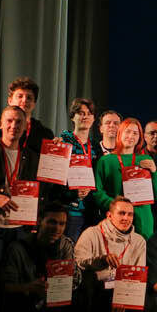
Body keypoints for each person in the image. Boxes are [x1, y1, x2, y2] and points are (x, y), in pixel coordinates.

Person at [0, 105, 72, 258]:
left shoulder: (32, 157)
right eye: (9, 121)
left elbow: (46, 188)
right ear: (0, 124)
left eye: (19, 122)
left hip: (21, 228)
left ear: (25, 126)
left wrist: (57, 152)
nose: (14, 126)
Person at [73, 197, 146, 312]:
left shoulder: (139, 241)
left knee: (145, 295)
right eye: (121, 213)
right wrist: (102, 260)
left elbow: (138, 275)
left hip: (122, 289)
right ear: (109, 215)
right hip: (97, 288)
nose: (126, 218)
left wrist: (122, 296)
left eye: (130, 214)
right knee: (88, 279)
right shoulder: (91, 233)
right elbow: (79, 262)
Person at [0, 203, 80, 312]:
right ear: (39, 221)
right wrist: (28, 287)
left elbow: (74, 279)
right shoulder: (18, 248)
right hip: (25, 305)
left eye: (61, 224)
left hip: (54, 304)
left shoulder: (65, 245)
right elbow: (6, 286)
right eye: (52, 222)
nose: (57, 228)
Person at [93, 117, 157, 239]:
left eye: (135, 133)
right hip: (117, 218)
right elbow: (97, 191)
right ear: (120, 133)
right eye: (127, 131)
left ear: (139, 138)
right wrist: (115, 206)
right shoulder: (105, 161)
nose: (131, 136)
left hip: (142, 219)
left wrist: (154, 171)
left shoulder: (145, 160)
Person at [60, 97, 104, 243]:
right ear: (72, 117)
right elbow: (53, 181)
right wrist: (72, 193)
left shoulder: (96, 147)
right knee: (69, 250)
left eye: (89, 113)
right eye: (81, 113)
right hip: (70, 210)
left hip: (91, 211)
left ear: (94, 118)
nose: (85, 117)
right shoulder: (62, 143)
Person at [0, 76, 55, 154]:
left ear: (34, 104)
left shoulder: (45, 134)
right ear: (10, 100)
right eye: (20, 96)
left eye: (29, 98)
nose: (24, 100)